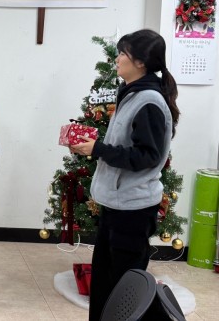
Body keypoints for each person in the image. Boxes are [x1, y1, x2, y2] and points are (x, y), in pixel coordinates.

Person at [69, 29, 180, 321]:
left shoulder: (149, 101)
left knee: (126, 288)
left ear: (140, 62)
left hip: (133, 209)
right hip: (117, 204)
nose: (117, 59)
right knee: (105, 282)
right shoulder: (132, 93)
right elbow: (126, 145)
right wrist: (95, 146)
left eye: (122, 54)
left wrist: (98, 149)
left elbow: (147, 157)